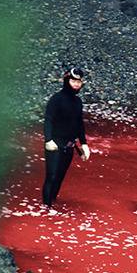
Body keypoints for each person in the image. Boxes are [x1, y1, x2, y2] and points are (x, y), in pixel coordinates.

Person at [42, 67, 91, 207]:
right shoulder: (56, 99)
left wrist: (84, 145)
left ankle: (53, 203)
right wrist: (48, 140)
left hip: (69, 145)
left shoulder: (78, 102)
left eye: (79, 82)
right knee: (51, 176)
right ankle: (46, 209)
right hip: (55, 144)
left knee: (59, 177)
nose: (76, 84)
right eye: (73, 81)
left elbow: (79, 124)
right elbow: (48, 120)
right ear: (67, 80)